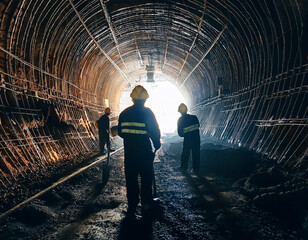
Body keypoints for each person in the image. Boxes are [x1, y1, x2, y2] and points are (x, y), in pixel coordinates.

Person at [118, 85, 161, 219]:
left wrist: (132, 139)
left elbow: (121, 132)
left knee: (131, 179)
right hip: (144, 153)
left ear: (132, 99)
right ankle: (146, 203)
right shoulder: (148, 113)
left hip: (130, 153)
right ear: (145, 100)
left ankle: (132, 205)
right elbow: (154, 131)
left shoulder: (124, 113)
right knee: (146, 178)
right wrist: (156, 144)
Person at [177, 103, 200, 174]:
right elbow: (198, 126)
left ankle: (184, 167)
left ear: (180, 112)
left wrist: (186, 133)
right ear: (186, 110)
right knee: (196, 154)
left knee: (185, 153)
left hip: (187, 140)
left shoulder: (180, 120)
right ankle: (196, 170)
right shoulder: (194, 117)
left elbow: (180, 134)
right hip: (196, 139)